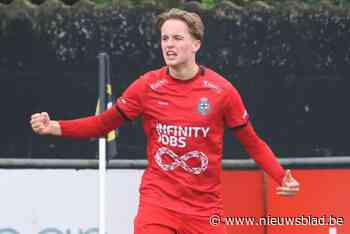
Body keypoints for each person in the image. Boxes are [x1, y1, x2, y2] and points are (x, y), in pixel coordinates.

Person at [31, 8, 300, 234]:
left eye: (177, 38)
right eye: (164, 38)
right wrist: (55, 127)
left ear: (196, 44)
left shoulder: (222, 91)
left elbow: (252, 143)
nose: (169, 45)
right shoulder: (147, 86)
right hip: (158, 203)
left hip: (205, 209)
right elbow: (104, 123)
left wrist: (280, 177)